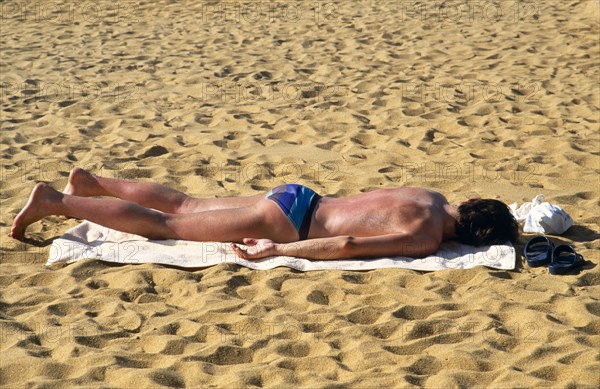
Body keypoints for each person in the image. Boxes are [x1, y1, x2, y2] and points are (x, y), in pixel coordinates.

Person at [10, 168, 519, 260]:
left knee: (184, 203)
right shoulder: (425, 234)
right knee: (167, 227)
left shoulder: (428, 196)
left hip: (303, 196)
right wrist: (281, 250)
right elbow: (345, 247)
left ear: (470, 204)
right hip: (290, 224)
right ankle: (57, 202)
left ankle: (91, 183)